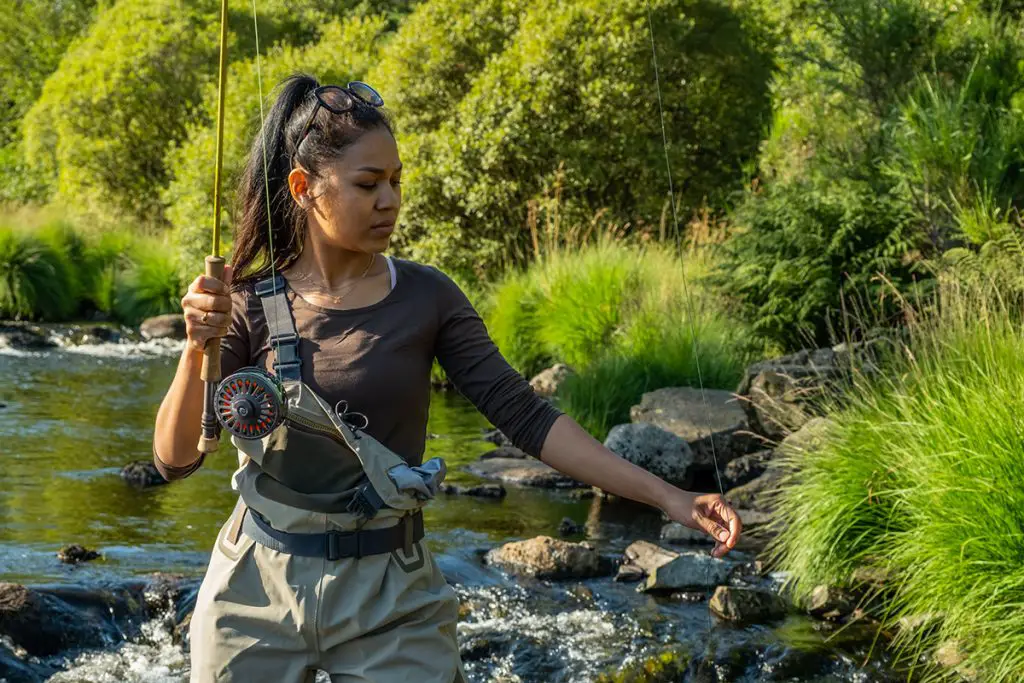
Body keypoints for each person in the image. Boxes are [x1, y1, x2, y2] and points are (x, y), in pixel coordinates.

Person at [152, 73, 741, 683]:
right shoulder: (243, 303)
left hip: (392, 593)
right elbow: (173, 462)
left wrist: (670, 497)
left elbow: (528, 418)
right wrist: (197, 349)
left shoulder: (428, 297)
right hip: (255, 586)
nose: (390, 200)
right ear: (304, 188)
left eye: (396, 181)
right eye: (367, 183)